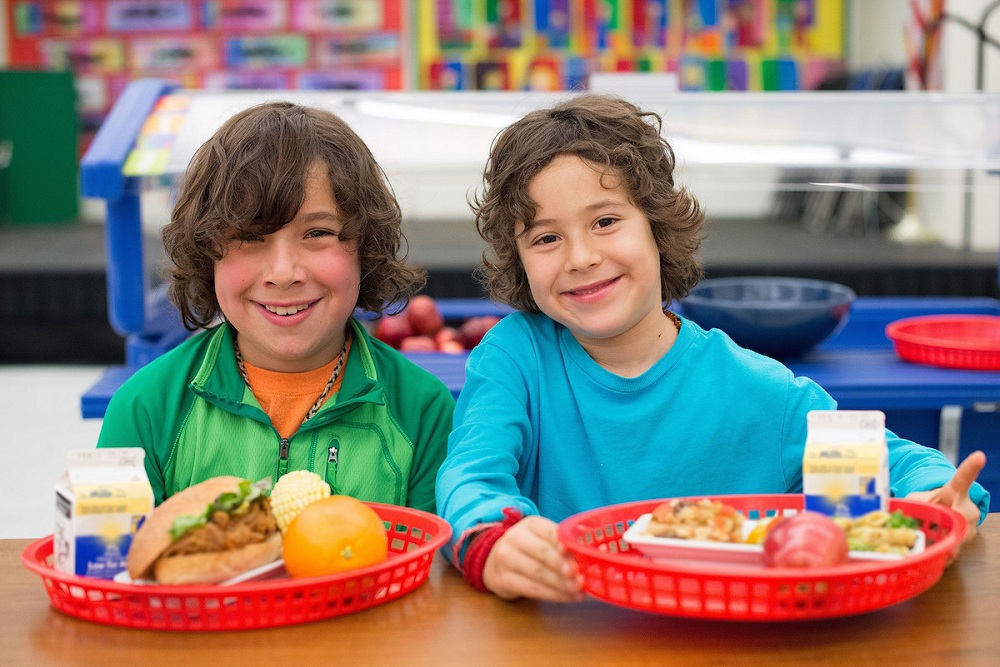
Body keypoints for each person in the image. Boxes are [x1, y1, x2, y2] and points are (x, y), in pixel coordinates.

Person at [435, 93, 990, 602]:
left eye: (605, 221)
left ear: (657, 226)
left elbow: (903, 466)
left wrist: (939, 496)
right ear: (520, 257)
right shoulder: (515, 358)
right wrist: (492, 536)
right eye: (546, 237)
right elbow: (468, 476)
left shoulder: (761, 392)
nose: (579, 257)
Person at [98, 101, 455, 512]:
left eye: (318, 232)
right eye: (249, 237)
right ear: (205, 253)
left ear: (365, 247)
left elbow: (432, 568)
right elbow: (114, 564)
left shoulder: (423, 411)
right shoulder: (145, 408)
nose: (284, 273)